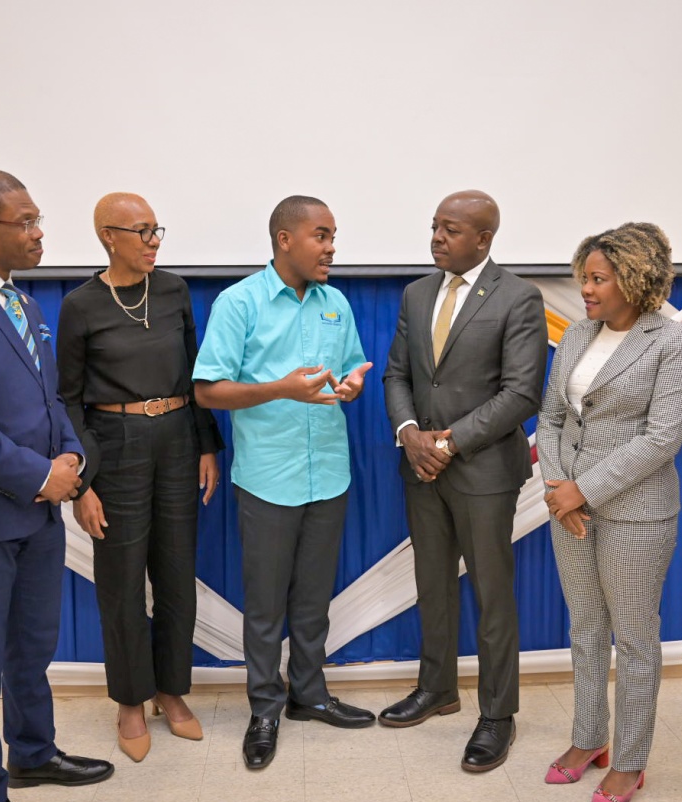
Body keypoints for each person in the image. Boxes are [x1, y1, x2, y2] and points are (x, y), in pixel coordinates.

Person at [0, 170, 113, 802]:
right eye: (26, 222)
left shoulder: (26, 304)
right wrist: (39, 474)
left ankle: (32, 753)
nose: (39, 234)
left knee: (32, 647)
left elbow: (50, 400)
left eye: (38, 221)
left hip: (39, 516)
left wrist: (71, 458)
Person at [193, 195, 375, 769]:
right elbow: (207, 391)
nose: (331, 248)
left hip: (329, 473)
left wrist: (351, 387)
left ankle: (310, 696)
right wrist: (280, 389)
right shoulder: (238, 302)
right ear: (284, 239)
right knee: (266, 606)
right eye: (321, 236)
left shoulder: (335, 302)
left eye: (333, 236)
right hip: (268, 477)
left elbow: (349, 371)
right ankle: (265, 708)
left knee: (313, 601)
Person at [536, 222, 682, 802]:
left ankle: (630, 759)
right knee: (584, 627)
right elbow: (551, 418)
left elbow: (661, 439)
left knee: (633, 638)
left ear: (635, 280)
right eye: (584, 277)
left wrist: (582, 490)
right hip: (569, 508)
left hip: (636, 515)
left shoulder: (673, 341)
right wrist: (559, 489)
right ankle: (589, 739)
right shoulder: (578, 333)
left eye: (598, 279)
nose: (585, 289)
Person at [381, 190, 547, 772]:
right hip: (420, 464)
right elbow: (397, 375)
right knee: (432, 582)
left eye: (450, 230)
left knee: (491, 593)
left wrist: (446, 443)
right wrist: (409, 434)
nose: (437, 238)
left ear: (483, 239)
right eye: (434, 226)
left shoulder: (519, 296)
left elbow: (521, 393)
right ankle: (437, 688)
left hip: (482, 469)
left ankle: (498, 715)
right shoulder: (417, 293)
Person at [57, 192, 224, 761]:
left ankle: (170, 692)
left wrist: (206, 444)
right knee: (122, 580)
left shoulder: (173, 290)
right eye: (142, 231)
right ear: (109, 236)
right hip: (115, 444)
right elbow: (68, 400)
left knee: (176, 573)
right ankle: (130, 700)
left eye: (157, 230)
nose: (154, 242)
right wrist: (83, 482)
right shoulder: (80, 305)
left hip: (178, 439)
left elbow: (197, 372)